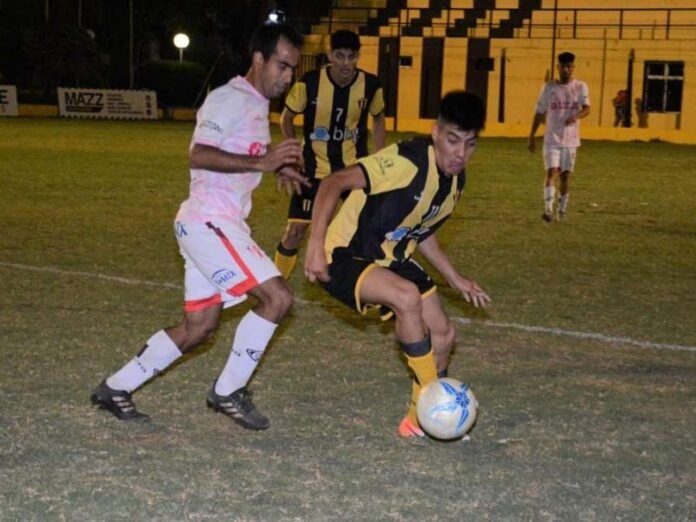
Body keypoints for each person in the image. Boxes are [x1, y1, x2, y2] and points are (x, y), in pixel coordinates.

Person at [90, 23, 307, 430]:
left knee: (199, 327)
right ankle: (228, 390)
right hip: (210, 222)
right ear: (258, 59)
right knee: (278, 297)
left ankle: (114, 388)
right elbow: (200, 154)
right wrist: (262, 162)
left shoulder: (257, 104)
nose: (288, 76)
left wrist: (277, 167)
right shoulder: (229, 98)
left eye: (293, 68)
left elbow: (244, 151)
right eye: (282, 65)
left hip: (208, 225)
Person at [304, 91, 491, 438]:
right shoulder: (407, 160)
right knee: (406, 297)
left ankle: (416, 420)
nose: (460, 154)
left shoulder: (454, 182)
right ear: (436, 132)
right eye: (453, 140)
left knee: (444, 334)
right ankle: (437, 400)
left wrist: (455, 278)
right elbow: (334, 181)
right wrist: (315, 244)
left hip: (392, 257)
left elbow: (420, 230)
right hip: (346, 254)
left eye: (470, 144)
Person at [274, 29, 386, 279]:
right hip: (313, 170)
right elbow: (287, 117)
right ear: (330, 55)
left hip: (353, 172)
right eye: (340, 56)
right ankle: (277, 283)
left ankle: (366, 285)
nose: (346, 63)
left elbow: (378, 118)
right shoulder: (309, 83)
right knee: (295, 231)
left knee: (366, 234)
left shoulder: (371, 85)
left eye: (351, 56)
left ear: (358, 56)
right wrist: (293, 150)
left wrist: (380, 158)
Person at [528, 51, 590, 223]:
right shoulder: (548, 88)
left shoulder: (580, 87)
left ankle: (562, 209)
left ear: (573, 67)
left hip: (571, 140)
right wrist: (532, 135)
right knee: (551, 172)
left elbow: (587, 108)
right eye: (563, 66)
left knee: (565, 176)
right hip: (551, 139)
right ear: (558, 67)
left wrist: (575, 117)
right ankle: (548, 210)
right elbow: (539, 112)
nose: (566, 69)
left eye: (569, 66)